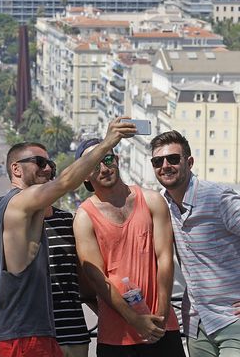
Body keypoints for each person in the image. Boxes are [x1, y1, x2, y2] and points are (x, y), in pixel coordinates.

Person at [0, 118, 136, 357]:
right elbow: (66, 182)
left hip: (14, 333)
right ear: (16, 169)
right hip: (27, 336)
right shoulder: (21, 201)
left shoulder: (1, 211)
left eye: (51, 165)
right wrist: (107, 143)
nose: (48, 169)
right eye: (40, 162)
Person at [73, 138, 184, 357]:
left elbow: (164, 258)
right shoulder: (84, 217)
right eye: (95, 164)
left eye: (107, 159)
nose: (104, 168)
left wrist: (160, 315)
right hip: (117, 337)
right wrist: (135, 320)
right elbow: (97, 277)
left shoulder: (152, 201)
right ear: (85, 173)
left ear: (117, 159)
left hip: (163, 328)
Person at [0, 161, 92, 357]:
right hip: (33, 333)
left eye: (49, 180)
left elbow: (82, 272)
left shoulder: (68, 220)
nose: (47, 183)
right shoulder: (16, 218)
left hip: (67, 330)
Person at [150, 130, 240, 356]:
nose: (165, 166)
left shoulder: (218, 198)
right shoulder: (163, 206)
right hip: (197, 324)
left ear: (189, 162)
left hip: (232, 320)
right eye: (157, 161)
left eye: (173, 159)